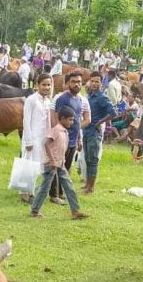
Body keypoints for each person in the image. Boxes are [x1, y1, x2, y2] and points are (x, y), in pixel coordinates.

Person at [30, 106, 88, 220]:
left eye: (72, 120)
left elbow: (61, 148)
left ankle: (75, 211)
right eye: (70, 119)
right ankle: (34, 210)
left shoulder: (64, 131)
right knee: (45, 188)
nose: (72, 122)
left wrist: (61, 161)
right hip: (51, 164)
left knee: (69, 186)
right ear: (62, 118)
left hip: (60, 164)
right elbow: (46, 143)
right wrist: (51, 160)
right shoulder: (56, 130)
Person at [49, 71, 91, 204]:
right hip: (63, 139)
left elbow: (78, 122)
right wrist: (59, 136)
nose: (77, 84)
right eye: (73, 82)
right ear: (68, 83)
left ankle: (61, 192)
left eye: (79, 82)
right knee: (57, 166)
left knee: (66, 167)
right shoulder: (63, 99)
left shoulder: (80, 99)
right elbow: (58, 119)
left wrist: (79, 139)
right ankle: (53, 194)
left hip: (73, 139)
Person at [19, 74, 53, 203]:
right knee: (28, 164)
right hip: (32, 137)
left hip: (42, 138)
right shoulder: (31, 100)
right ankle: (24, 193)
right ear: (37, 85)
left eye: (48, 85)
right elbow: (26, 120)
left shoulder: (48, 101)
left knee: (37, 165)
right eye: (43, 84)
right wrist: (28, 140)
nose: (46, 87)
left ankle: (31, 191)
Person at [83, 71, 116, 194]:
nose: (94, 84)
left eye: (97, 81)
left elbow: (112, 113)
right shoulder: (89, 96)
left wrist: (99, 122)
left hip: (94, 132)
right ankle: (87, 184)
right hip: (86, 131)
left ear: (101, 83)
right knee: (87, 158)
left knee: (93, 159)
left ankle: (91, 187)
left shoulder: (102, 97)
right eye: (92, 81)